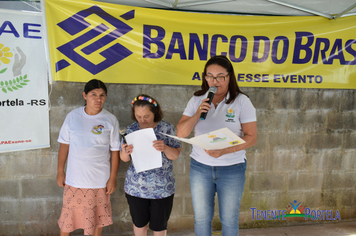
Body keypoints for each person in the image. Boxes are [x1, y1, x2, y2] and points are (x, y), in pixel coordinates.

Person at [176, 55, 257, 236]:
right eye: (210, 76)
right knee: (202, 218)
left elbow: (251, 137)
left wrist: (226, 150)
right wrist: (198, 113)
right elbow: (181, 133)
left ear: (229, 77)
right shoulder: (197, 100)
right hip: (200, 168)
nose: (214, 81)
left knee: (229, 219)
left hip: (232, 168)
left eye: (220, 76)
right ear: (205, 77)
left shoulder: (242, 101)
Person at [56, 79, 120, 236]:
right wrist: (60, 171)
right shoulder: (73, 117)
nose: (98, 99)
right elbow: (64, 145)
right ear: (85, 95)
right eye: (93, 95)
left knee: (97, 219)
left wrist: (112, 178)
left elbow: (115, 151)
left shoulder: (110, 120)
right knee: (67, 219)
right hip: (74, 180)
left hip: (99, 181)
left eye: (102, 95)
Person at [120, 94, 181, 236]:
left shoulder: (166, 129)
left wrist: (165, 147)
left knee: (159, 227)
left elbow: (175, 155)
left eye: (146, 116)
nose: (142, 120)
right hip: (136, 188)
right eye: (138, 116)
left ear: (155, 112)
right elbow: (123, 159)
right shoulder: (130, 130)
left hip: (162, 189)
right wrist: (125, 151)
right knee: (139, 224)